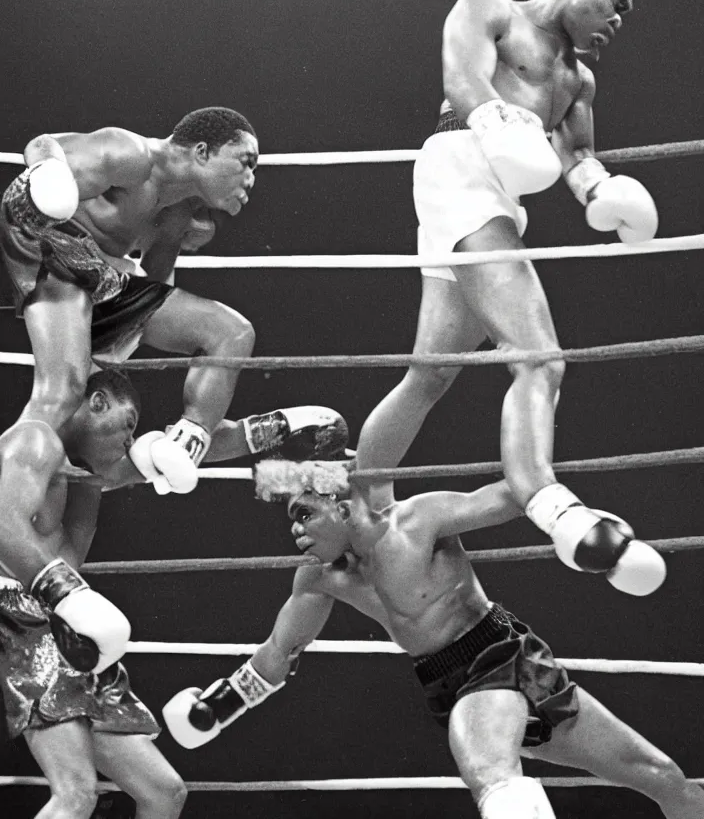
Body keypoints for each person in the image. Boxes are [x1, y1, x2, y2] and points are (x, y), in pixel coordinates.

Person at [354, 0, 663, 593]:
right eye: (615, 3)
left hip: (496, 198)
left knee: (430, 374)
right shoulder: (491, 8)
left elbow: (578, 154)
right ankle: (547, 500)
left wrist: (602, 191)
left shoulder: (579, 80)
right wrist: (499, 122)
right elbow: (460, 80)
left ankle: (363, 498)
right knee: (540, 357)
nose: (616, 22)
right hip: (462, 165)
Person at [162, 460, 703, 819]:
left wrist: (580, 524)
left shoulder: (418, 521)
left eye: (304, 513)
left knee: (659, 777)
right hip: (455, 680)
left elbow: (514, 494)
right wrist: (221, 704)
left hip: (499, 653)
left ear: (342, 503)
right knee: (500, 774)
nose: (296, 531)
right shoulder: (318, 579)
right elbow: (278, 655)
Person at [0, 368, 349, 819]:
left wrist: (271, 430)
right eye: (128, 428)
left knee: (164, 793)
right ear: (97, 402)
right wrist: (65, 592)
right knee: (76, 794)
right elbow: (3, 526)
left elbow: (189, 457)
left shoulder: (84, 479)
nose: (129, 443)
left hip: (69, 628)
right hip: (21, 611)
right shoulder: (35, 440)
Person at [0, 106, 263, 669]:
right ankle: (7, 516)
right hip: (47, 236)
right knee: (65, 388)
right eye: (244, 163)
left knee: (230, 333)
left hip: (108, 278)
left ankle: (184, 442)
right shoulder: (131, 154)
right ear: (201, 152)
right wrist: (47, 178)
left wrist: (123, 336)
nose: (251, 180)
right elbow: (43, 139)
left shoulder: (179, 216)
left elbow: (154, 289)